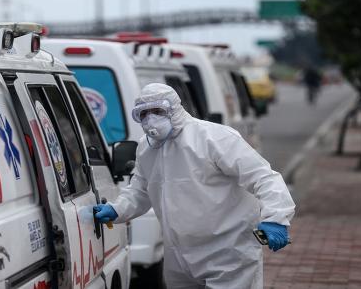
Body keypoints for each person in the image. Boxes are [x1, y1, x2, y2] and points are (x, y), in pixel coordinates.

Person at [93, 83, 295, 289]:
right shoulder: (147, 148)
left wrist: (276, 218)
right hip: (179, 256)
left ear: (174, 108)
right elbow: (140, 190)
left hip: (228, 252)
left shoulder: (214, 137)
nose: (150, 118)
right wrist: (116, 209)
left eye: (157, 111)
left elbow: (263, 177)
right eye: (144, 113)